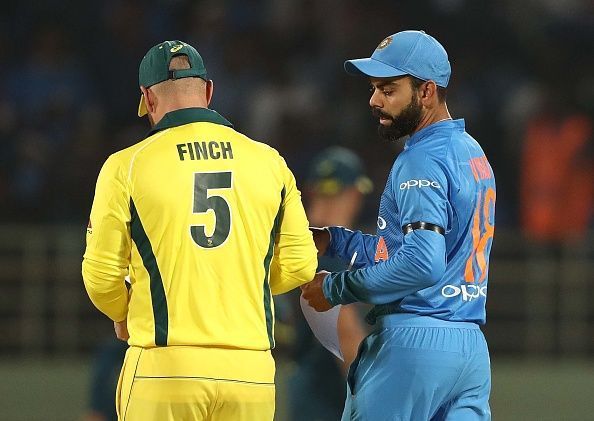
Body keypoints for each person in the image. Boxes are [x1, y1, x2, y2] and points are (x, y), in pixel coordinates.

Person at [82, 40, 317, 421]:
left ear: (148, 98)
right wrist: (236, 280)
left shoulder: (126, 165)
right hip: (251, 372)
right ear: (208, 91)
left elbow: (101, 277)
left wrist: (122, 310)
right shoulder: (269, 162)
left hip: (165, 366)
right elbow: (301, 265)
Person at [301, 30, 496, 420]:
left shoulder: (420, 160)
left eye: (388, 90)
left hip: (414, 346)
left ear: (426, 91)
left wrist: (337, 287)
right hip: (470, 349)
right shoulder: (472, 152)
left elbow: (422, 263)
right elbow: (404, 252)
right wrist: (336, 241)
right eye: (374, 89)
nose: (374, 100)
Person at [285, 146, 372, 421]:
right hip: (328, 398)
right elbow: (345, 332)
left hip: (305, 388)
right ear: (355, 193)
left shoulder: (294, 243)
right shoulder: (331, 253)